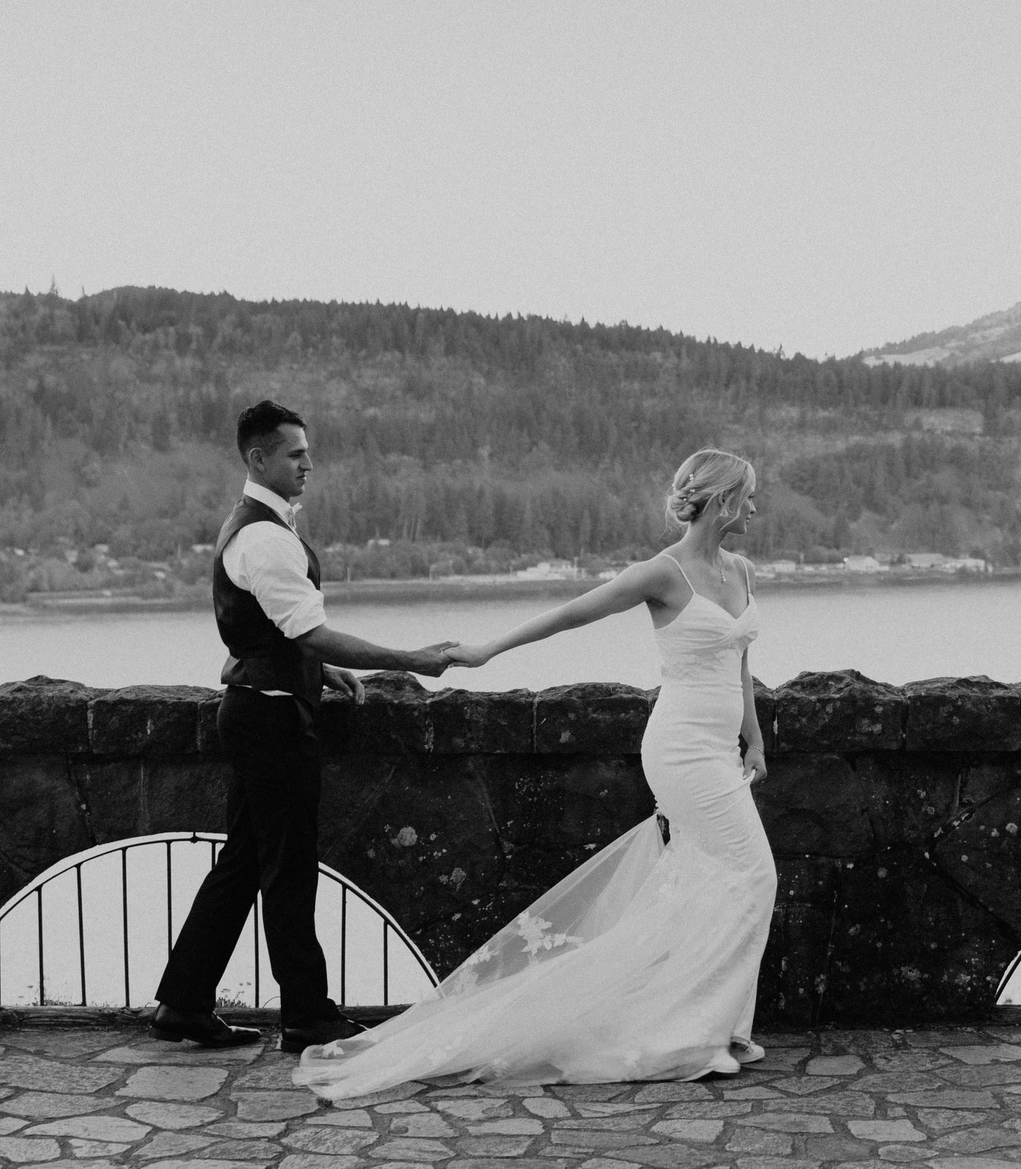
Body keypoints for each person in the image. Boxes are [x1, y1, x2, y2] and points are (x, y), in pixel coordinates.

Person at [294, 447, 774, 1096]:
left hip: (721, 745)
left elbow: (739, 659)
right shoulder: (662, 574)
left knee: (712, 882)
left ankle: (713, 1024)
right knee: (753, 872)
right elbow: (572, 613)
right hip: (681, 748)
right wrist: (489, 649)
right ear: (720, 500)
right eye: (747, 495)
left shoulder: (741, 569)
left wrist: (753, 733)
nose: (754, 506)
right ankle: (690, 1029)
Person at [152, 399, 459, 1052]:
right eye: (295, 453)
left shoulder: (255, 526)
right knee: (287, 869)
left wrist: (314, 671)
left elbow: (274, 635)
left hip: (260, 706)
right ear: (258, 457)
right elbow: (310, 631)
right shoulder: (264, 537)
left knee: (243, 861)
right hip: (270, 720)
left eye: (308, 452)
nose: (307, 464)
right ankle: (306, 1016)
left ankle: (182, 1003)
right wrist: (415, 659)